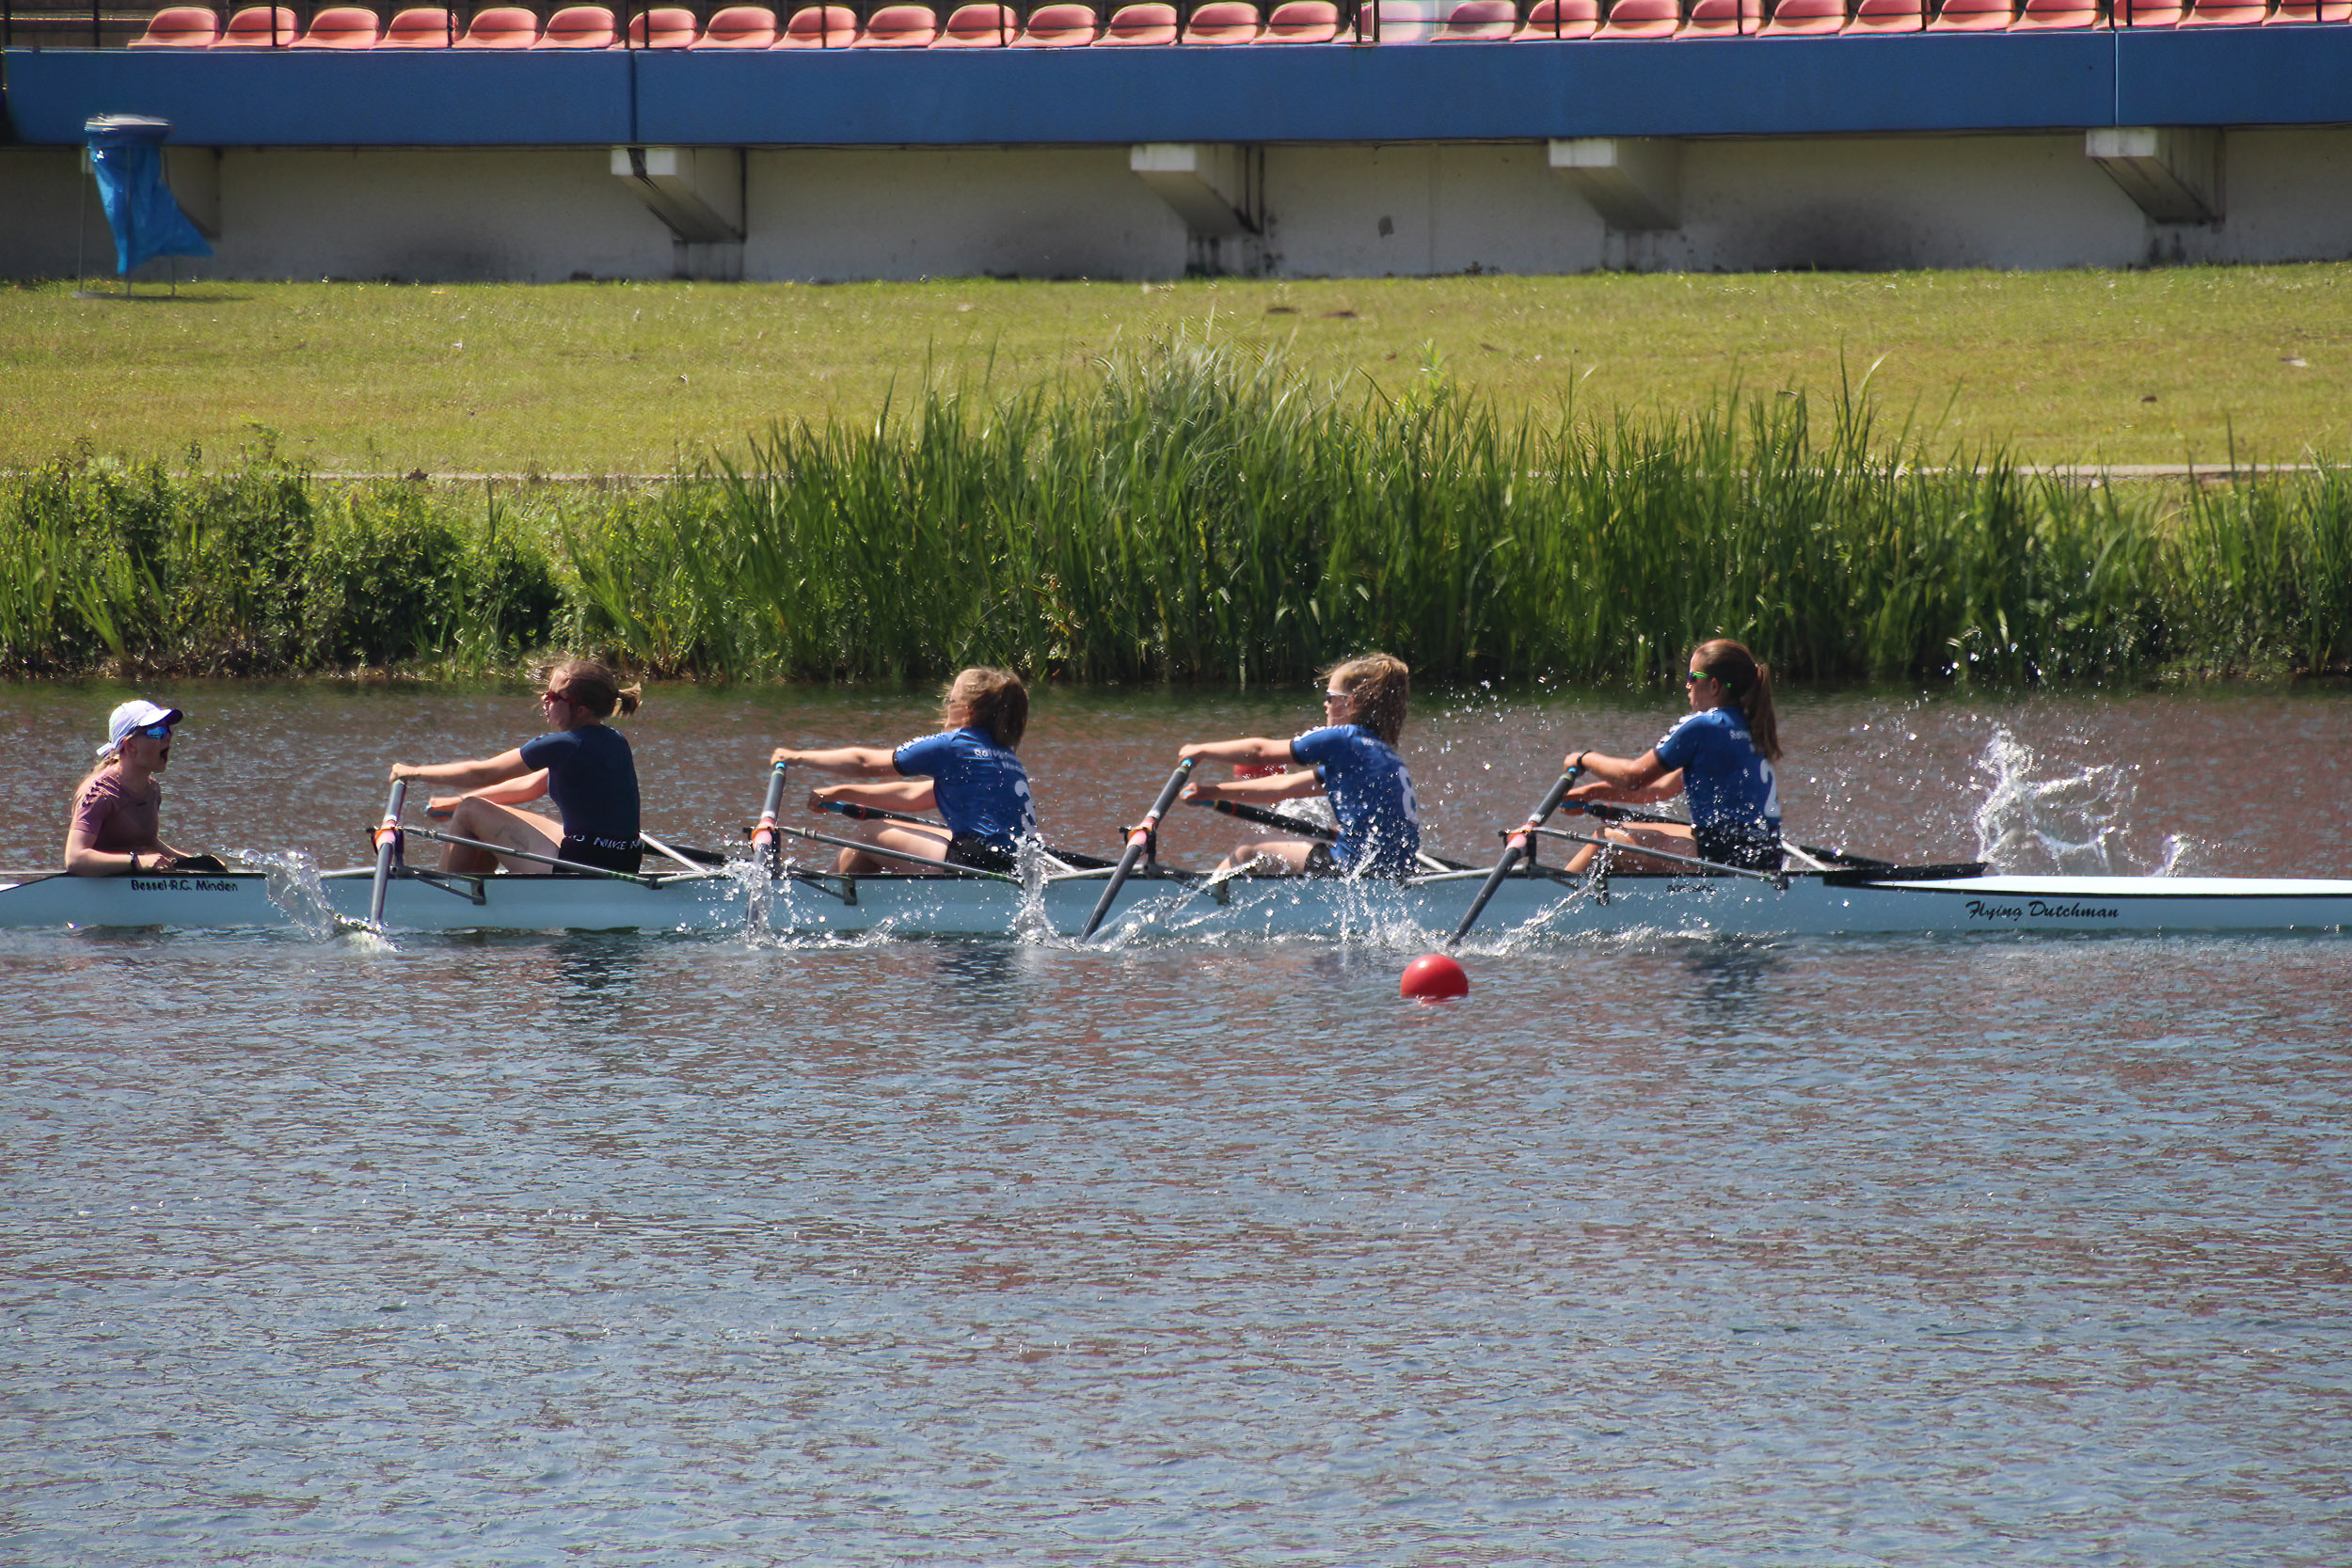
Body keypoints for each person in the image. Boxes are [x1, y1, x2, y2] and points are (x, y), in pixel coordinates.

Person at [771, 667, 1038, 875]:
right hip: (1017, 864)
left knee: (870, 833)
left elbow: (864, 763)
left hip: (979, 862)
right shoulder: (1004, 755)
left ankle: (827, 905)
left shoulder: (954, 745)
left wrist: (797, 756)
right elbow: (913, 795)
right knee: (919, 830)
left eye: (949, 699)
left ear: (965, 710)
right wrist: (841, 793)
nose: (945, 705)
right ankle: (854, 895)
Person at [1176, 653, 1422, 878]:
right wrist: (1214, 792)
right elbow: (1285, 786)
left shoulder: (1342, 739)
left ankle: (1202, 901)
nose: (1325, 705)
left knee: (1249, 845)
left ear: (1350, 703)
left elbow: (1260, 752)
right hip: (1396, 869)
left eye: (1329, 697)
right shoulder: (1378, 753)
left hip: (1354, 866)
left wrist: (1201, 750)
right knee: (1291, 843)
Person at [389, 659, 644, 876]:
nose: (545, 699)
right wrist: (454, 801)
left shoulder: (563, 744)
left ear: (581, 709)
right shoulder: (614, 740)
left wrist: (412, 772)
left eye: (555, 696)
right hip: (623, 860)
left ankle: (445, 898)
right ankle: (482, 893)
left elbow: (483, 773)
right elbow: (530, 786)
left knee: (470, 811)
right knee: (479, 809)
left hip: (583, 865)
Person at [1560, 637, 1784, 876]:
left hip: (1725, 855)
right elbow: (1661, 789)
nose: (1687, 685)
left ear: (1714, 686)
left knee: (1603, 841)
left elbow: (1634, 776)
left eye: (1692, 677)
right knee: (1623, 828)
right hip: (1763, 852)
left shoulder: (1703, 726)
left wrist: (1583, 758)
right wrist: (1592, 793)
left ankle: (1547, 899)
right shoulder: (1748, 725)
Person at [66, 699, 221, 876]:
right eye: (157, 732)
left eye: (168, 730)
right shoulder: (100, 794)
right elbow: (75, 859)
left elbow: (147, 843)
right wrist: (136, 861)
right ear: (131, 746)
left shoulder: (152, 790)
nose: (167, 737)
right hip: (99, 891)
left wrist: (195, 864)